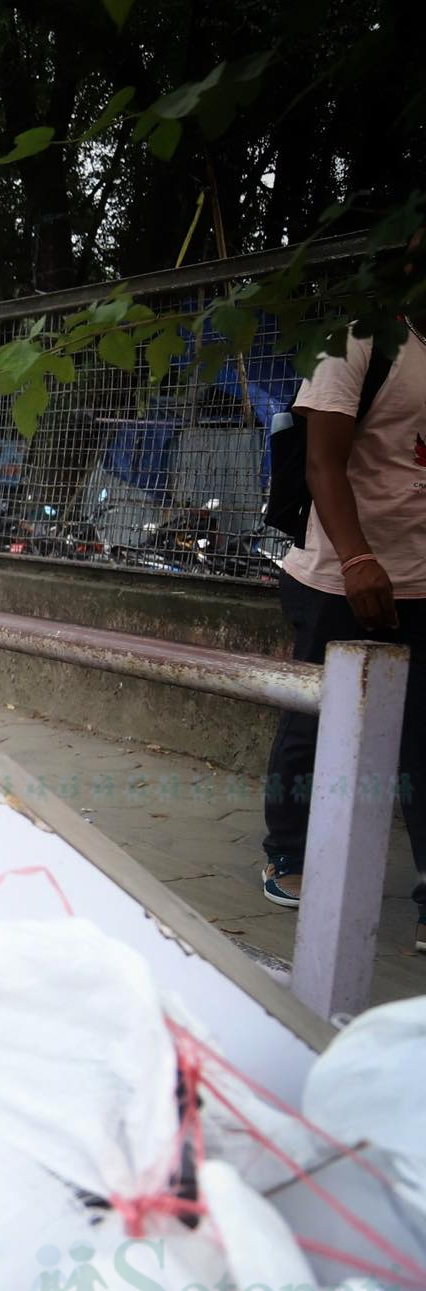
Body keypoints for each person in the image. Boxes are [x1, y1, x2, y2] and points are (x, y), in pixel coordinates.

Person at [261, 318, 426, 954]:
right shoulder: (360, 336)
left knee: (424, 736)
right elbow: (321, 461)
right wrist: (357, 559)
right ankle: (289, 851)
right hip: (338, 574)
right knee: (316, 719)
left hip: (420, 576)